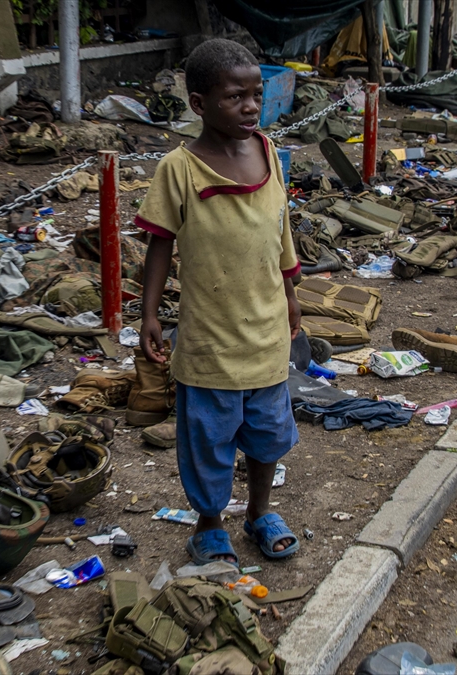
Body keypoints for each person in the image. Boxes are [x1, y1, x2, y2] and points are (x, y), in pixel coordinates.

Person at [135, 38, 301, 566]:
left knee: (267, 437)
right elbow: (160, 243)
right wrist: (149, 314)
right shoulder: (179, 169)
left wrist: (292, 296)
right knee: (208, 441)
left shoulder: (269, 152)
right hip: (208, 340)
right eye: (236, 97)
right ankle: (209, 524)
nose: (251, 106)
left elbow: (280, 231)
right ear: (200, 104)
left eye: (256, 94)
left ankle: (259, 512)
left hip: (267, 335)